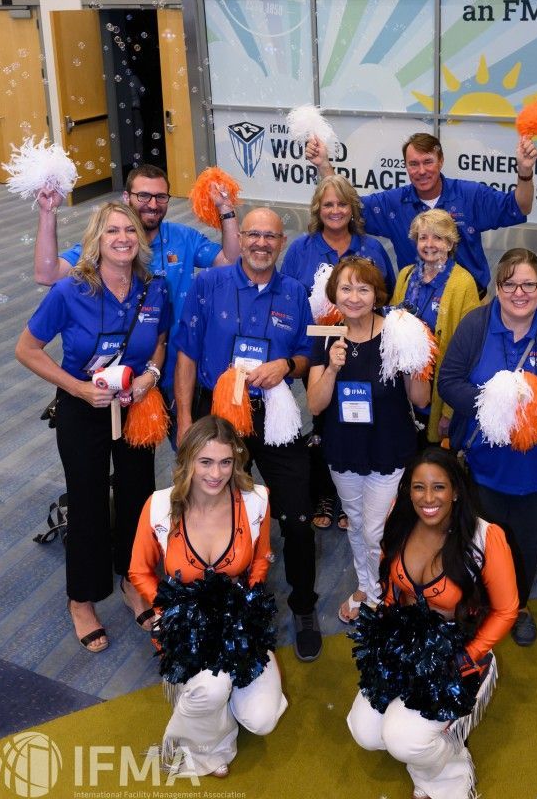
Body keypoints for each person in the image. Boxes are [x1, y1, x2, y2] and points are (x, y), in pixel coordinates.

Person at [16, 201, 170, 652]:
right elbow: (27, 349)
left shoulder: (153, 288)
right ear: (96, 241)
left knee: (137, 495)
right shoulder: (69, 291)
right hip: (83, 406)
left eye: (129, 231)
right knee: (87, 500)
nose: (122, 238)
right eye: (111, 231)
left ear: (139, 240)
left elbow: (159, 341)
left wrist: (151, 377)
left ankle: (132, 581)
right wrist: (77, 390)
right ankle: (81, 598)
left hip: (135, 406)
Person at [174, 207, 322, 662]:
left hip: (273, 413)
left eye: (270, 236)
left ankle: (303, 607)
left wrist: (287, 366)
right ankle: (215, 597)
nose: (260, 243)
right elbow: (186, 355)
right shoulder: (208, 285)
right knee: (211, 504)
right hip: (216, 412)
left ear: (281, 243)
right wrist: (184, 421)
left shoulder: (295, 293)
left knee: (296, 514)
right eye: (252, 234)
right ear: (241, 239)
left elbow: (304, 355)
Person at [347, 447, 518, 799]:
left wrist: (466, 657)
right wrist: (386, 630)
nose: (428, 498)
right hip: (405, 647)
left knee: (403, 739)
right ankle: (427, 755)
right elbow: (392, 588)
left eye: (438, 488)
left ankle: (454, 778)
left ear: (456, 491)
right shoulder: (401, 523)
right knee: (364, 730)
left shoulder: (485, 538)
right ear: (407, 491)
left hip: (458, 655)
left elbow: (506, 611)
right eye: (418, 487)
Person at [129, 416, 287, 778]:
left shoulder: (255, 500)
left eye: (225, 462)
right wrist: (167, 612)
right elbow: (139, 569)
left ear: (236, 461)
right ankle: (210, 744)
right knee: (211, 688)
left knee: (262, 720)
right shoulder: (159, 507)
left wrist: (248, 602)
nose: (216, 474)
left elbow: (261, 556)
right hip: (186, 631)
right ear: (187, 462)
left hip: (238, 626)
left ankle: (216, 705)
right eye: (205, 462)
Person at [438, 248, 537, 646]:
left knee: (527, 544)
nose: (519, 292)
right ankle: (479, 603)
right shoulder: (476, 325)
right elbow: (448, 381)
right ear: (497, 288)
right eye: (510, 283)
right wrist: (493, 400)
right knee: (480, 540)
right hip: (483, 466)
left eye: (528, 284)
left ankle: (519, 606)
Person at [33, 163, 240, 402]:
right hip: (124, 371)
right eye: (143, 195)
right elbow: (46, 274)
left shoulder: (184, 237)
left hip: (178, 363)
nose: (152, 204)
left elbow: (231, 262)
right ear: (126, 197)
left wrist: (225, 209)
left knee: (184, 435)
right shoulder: (108, 243)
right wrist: (47, 212)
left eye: (161, 196)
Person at [306, 257, 431, 623]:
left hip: (388, 447)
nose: (355, 296)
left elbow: (421, 400)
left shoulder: (397, 333)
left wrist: (417, 358)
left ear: (377, 294)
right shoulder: (327, 335)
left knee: (377, 529)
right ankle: (367, 585)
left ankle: (384, 593)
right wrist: (332, 367)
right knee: (357, 521)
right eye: (346, 288)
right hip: (344, 449)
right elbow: (315, 403)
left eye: (364, 289)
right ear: (334, 294)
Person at [281, 175, 395, 529]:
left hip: (365, 342)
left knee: (362, 412)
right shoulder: (301, 248)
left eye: (342, 204)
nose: (335, 210)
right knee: (321, 419)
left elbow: (386, 295)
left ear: (352, 209)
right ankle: (328, 492)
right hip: (319, 345)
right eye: (328, 204)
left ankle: (357, 488)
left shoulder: (371, 247)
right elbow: (288, 299)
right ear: (318, 208)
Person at [306, 132, 537, 297]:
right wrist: (323, 165)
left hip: (470, 300)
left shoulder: (470, 195)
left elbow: (519, 206)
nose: (422, 171)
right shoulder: (393, 204)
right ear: (406, 166)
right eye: (413, 164)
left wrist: (525, 173)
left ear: (441, 161)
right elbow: (347, 207)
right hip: (416, 302)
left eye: (428, 162)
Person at [391, 208, 479, 444]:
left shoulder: (463, 284)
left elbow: (469, 352)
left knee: (431, 456)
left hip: (439, 385)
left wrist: (450, 411)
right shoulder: (406, 276)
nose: (429, 244)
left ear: (450, 244)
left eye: (438, 238)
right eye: (423, 237)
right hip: (404, 380)